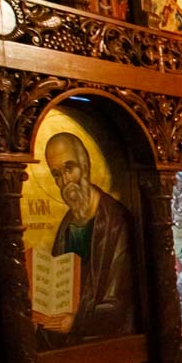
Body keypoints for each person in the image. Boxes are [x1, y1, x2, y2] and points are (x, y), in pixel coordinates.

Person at [36, 131, 137, 346]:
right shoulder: (67, 226)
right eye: (56, 174)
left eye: (68, 168)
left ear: (85, 164)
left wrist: (76, 322)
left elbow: (119, 300)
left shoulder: (114, 220)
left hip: (109, 342)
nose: (65, 181)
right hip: (71, 338)